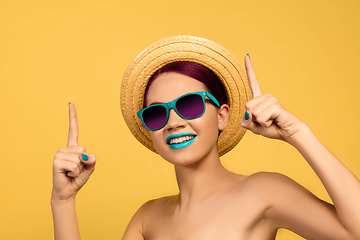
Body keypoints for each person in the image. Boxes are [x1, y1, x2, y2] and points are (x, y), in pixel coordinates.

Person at [51, 36, 360, 240]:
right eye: (157, 113)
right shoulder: (147, 218)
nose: (173, 122)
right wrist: (63, 202)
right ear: (149, 129)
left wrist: (298, 133)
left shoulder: (264, 191)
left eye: (189, 105)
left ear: (222, 115)